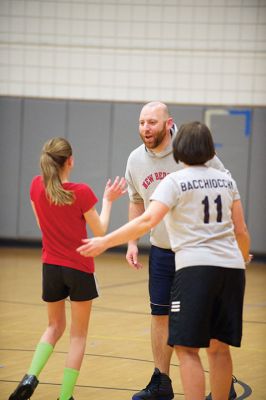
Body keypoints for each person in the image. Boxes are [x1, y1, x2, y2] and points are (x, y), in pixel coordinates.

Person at [77, 121, 250, 400]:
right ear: (209, 150)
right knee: (219, 348)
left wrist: (105, 241)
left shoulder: (176, 181)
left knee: (186, 348)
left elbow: (147, 219)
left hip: (195, 268)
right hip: (231, 269)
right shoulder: (227, 181)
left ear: (179, 150)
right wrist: (242, 256)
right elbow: (241, 230)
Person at [115, 101, 237, 400]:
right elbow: (136, 201)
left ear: (168, 123)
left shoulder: (192, 153)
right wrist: (132, 242)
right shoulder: (135, 159)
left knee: (203, 324)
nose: (146, 128)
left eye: (152, 123)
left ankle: (223, 384)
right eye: (142, 122)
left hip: (197, 252)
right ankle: (161, 382)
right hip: (162, 250)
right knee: (159, 315)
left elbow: (225, 190)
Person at [8, 137, 127, 400]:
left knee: (54, 326)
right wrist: (108, 200)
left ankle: (30, 376)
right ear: (70, 161)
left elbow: (42, 226)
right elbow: (101, 231)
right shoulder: (81, 192)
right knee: (77, 336)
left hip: (50, 266)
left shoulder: (35, 186)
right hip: (80, 267)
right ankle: (65, 397)